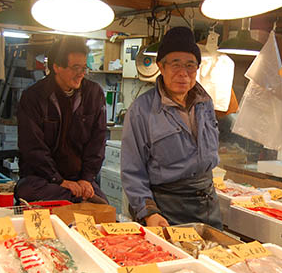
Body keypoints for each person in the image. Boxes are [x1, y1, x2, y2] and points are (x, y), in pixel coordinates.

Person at [121, 27, 222, 228]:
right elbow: (133, 171)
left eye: (190, 65)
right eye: (175, 64)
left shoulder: (206, 103)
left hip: (207, 207)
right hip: (165, 210)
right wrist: (148, 212)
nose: (183, 73)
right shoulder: (141, 110)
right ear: (161, 66)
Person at [15, 36, 108, 204]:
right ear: (56, 67)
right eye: (75, 68)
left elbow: (98, 141)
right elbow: (32, 148)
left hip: (79, 179)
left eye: (84, 67)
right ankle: (76, 199)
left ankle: (77, 198)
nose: (81, 73)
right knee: (26, 191)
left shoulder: (94, 94)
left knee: (104, 204)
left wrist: (86, 179)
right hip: (43, 179)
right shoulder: (33, 97)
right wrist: (59, 180)